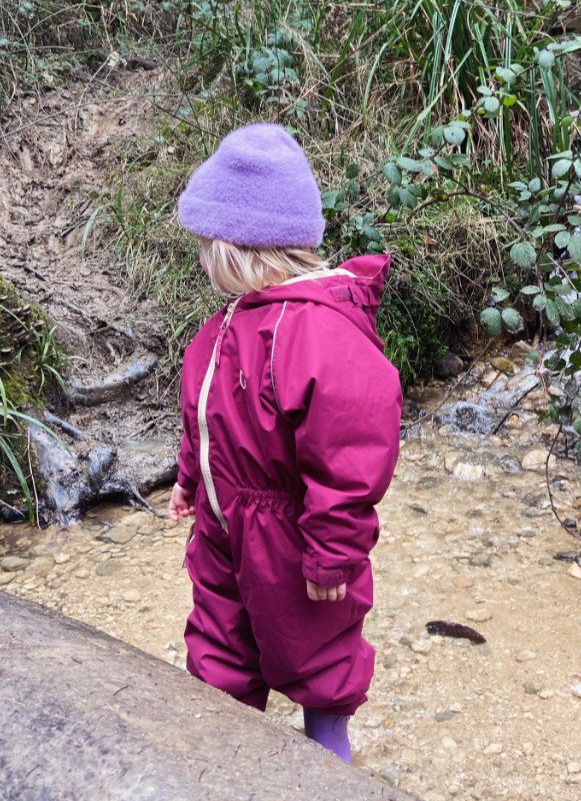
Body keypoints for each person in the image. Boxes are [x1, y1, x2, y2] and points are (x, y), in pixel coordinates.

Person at [166, 123, 402, 763]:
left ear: (237, 249)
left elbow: (352, 456)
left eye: (206, 246)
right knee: (218, 644)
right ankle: (227, 760)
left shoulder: (322, 334)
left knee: (319, 652)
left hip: (294, 530)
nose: (202, 260)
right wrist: (190, 480)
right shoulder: (223, 329)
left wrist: (334, 552)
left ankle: (329, 762)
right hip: (222, 521)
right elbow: (205, 415)